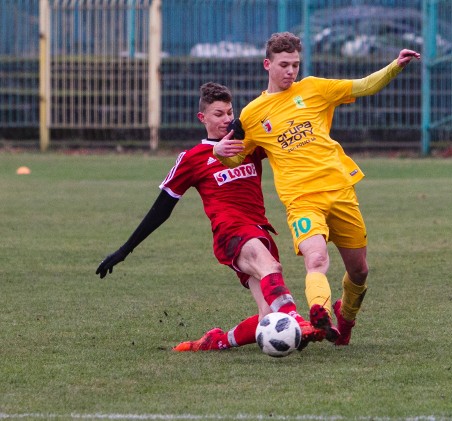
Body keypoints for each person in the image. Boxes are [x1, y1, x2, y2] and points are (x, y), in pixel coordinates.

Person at [95, 82, 336, 352]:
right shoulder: (193, 157)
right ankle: (297, 321)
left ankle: (217, 340)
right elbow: (163, 207)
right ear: (203, 118)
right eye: (219, 114)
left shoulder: (248, 146)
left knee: (268, 316)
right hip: (230, 232)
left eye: (230, 113)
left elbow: (284, 143)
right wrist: (124, 250)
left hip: (260, 230)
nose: (227, 119)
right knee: (271, 268)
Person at [213, 32, 421, 345]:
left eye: (295, 64)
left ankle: (344, 319)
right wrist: (219, 153)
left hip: (340, 191)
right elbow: (238, 157)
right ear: (267, 64)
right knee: (316, 259)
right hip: (301, 200)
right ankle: (318, 312)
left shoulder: (314, 88)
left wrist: (395, 66)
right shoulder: (252, 114)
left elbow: (363, 85)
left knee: (360, 271)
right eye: (284, 64)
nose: (291, 71)